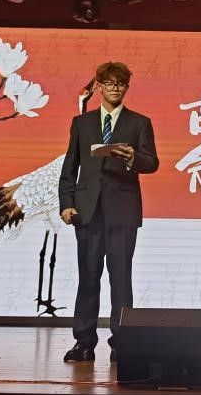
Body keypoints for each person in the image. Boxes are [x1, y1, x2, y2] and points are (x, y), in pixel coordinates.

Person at [58, 61, 159, 363]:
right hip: (87, 212)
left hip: (122, 212)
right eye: (110, 83)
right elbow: (69, 167)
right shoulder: (82, 123)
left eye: (121, 83)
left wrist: (132, 157)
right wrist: (66, 204)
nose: (116, 88)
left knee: (121, 279)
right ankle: (84, 342)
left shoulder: (139, 123)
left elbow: (152, 162)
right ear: (99, 86)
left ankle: (122, 343)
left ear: (127, 87)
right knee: (88, 278)